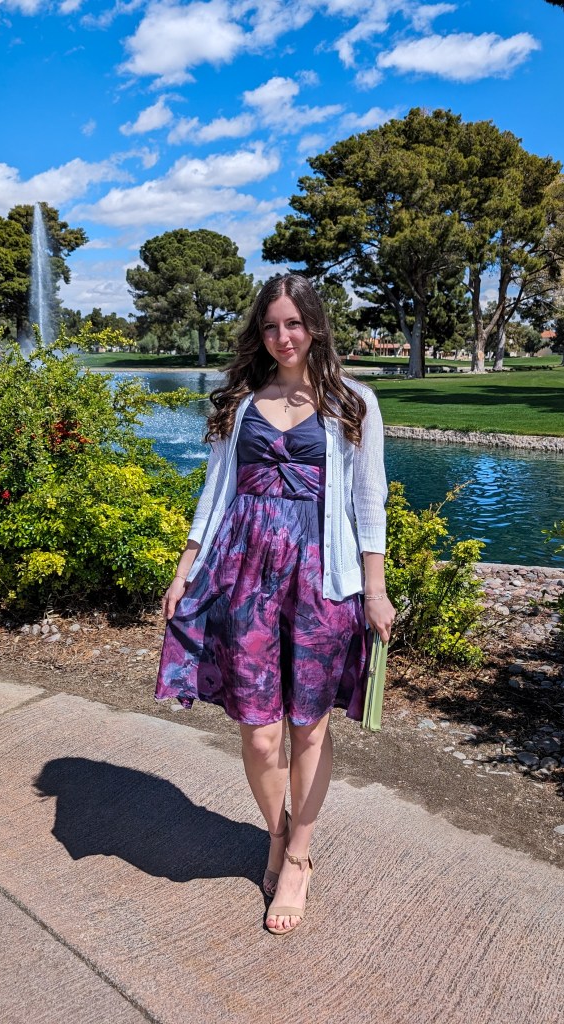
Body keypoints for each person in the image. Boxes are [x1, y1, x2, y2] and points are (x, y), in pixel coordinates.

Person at [155, 274, 394, 935]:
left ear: (314, 326)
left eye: (292, 323)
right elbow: (214, 492)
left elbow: (367, 501)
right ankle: (275, 830)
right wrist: (185, 569)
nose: (282, 337)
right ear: (258, 333)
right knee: (260, 733)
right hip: (246, 575)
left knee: (308, 726)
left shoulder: (353, 403)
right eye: (270, 326)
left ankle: (297, 858)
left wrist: (375, 590)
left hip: (321, 580)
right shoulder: (239, 403)